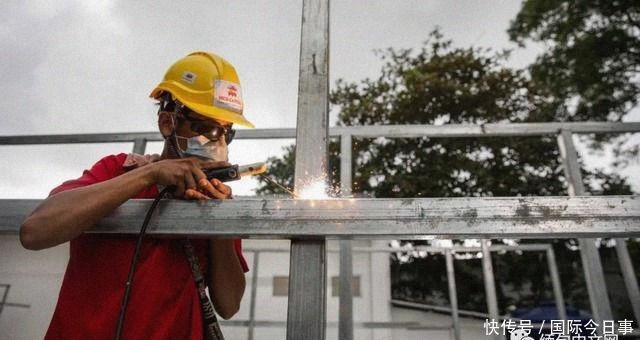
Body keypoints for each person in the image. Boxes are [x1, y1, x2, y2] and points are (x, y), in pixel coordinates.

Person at [20, 51, 254, 339]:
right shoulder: (117, 171)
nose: (215, 140)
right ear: (168, 123)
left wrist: (219, 222)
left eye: (225, 131)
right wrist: (149, 174)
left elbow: (229, 305)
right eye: (203, 127)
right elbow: (34, 232)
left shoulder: (217, 202)